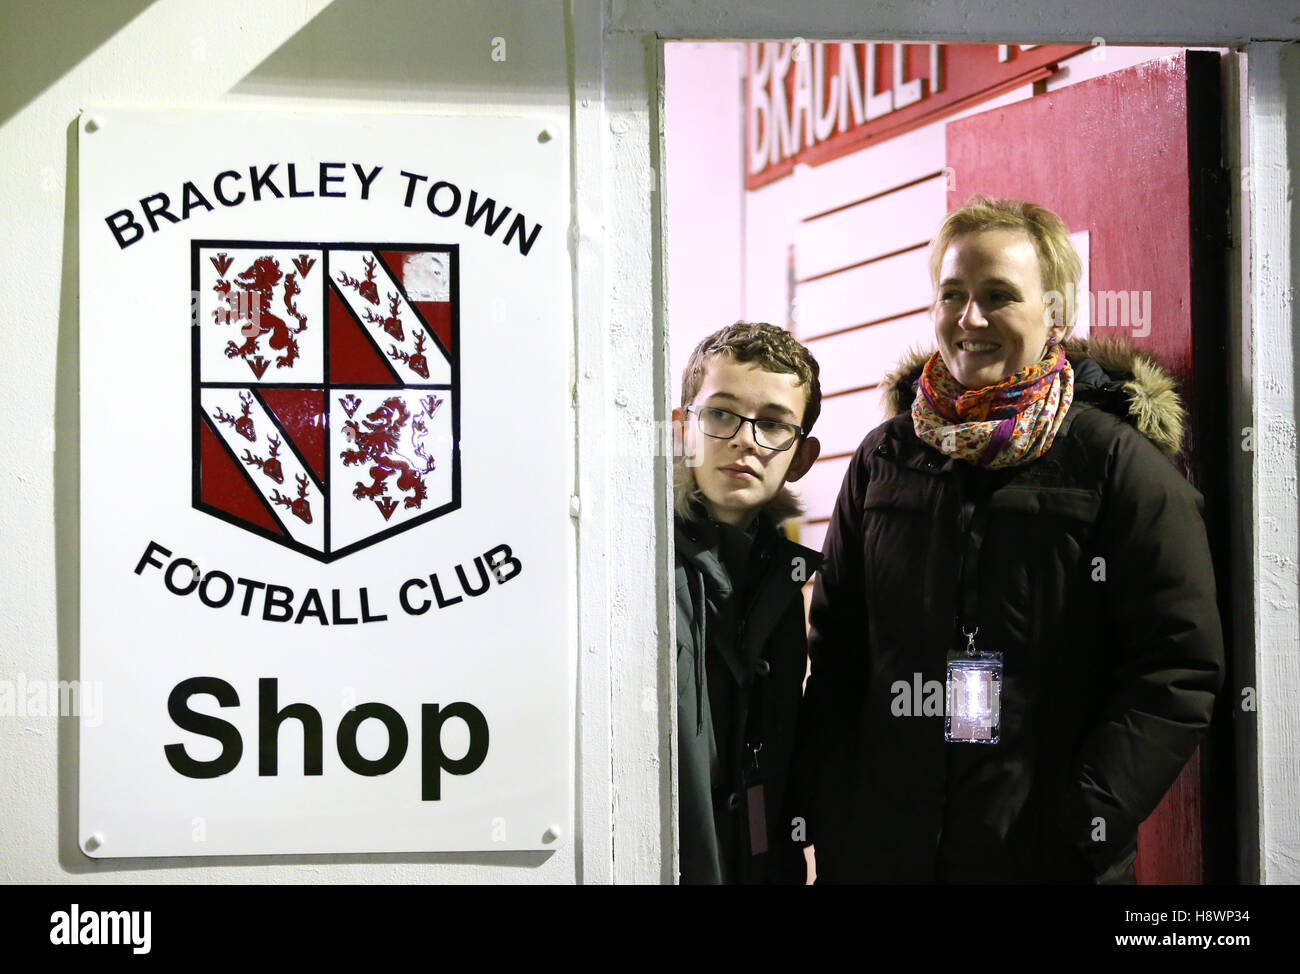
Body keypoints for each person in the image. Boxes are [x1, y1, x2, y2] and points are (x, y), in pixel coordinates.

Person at [797, 195, 1224, 883]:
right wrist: (830, 808)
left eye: (998, 295)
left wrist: (1077, 824)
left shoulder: (1116, 466)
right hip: (882, 857)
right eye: (953, 294)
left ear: (1056, 313)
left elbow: (1177, 670)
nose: (970, 318)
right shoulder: (884, 459)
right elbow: (838, 650)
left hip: (1041, 862)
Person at [672, 322, 823, 884]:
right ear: (681, 429)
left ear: (801, 457)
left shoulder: (783, 581)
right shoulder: (634, 569)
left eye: (774, 424)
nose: (746, 440)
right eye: (721, 414)